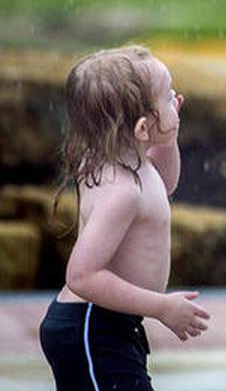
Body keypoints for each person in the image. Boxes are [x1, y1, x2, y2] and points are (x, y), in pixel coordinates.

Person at [39, 46, 211, 390]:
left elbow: (164, 185)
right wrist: (161, 307)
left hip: (108, 325)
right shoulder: (120, 191)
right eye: (167, 96)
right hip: (93, 327)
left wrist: (168, 137)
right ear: (143, 127)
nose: (176, 99)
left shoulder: (132, 164)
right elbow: (82, 275)